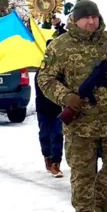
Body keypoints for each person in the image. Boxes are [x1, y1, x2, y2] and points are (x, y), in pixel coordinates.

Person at [37, 0, 107, 212]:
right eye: (86, 18)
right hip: (80, 123)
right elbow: (45, 79)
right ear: (76, 19)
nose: (91, 21)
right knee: (82, 173)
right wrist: (66, 96)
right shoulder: (60, 46)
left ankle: (100, 200)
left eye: (94, 17)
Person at [35, 18, 67, 177]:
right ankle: (47, 157)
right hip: (43, 108)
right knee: (45, 135)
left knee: (58, 134)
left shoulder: (62, 70)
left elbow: (67, 41)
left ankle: (56, 162)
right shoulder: (42, 70)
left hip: (58, 108)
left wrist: (59, 26)